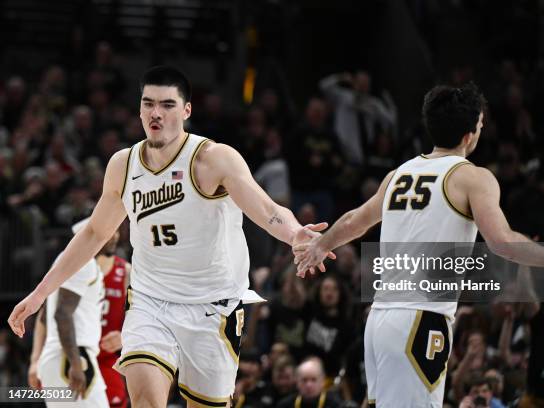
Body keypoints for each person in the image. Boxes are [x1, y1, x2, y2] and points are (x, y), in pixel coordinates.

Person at [9, 65, 332, 408]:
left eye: (166, 105)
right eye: (148, 104)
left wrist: (296, 232)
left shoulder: (212, 159)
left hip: (212, 305)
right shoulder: (123, 165)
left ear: (186, 110)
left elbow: (267, 209)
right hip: (151, 301)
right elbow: (94, 232)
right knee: (146, 400)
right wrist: (40, 293)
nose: (155, 113)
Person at [293, 83, 544, 407]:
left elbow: (355, 220)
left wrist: (321, 244)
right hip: (419, 320)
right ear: (469, 135)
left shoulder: (398, 173)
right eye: (480, 126)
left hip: (379, 319)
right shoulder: (472, 177)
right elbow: (503, 242)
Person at [31, 218, 108, 407]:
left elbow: (44, 316)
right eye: (111, 233)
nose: (114, 237)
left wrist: (35, 360)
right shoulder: (83, 263)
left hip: (58, 357)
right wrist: (75, 363)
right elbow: (62, 314)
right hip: (71, 357)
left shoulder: (66, 261)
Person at [96, 229, 130, 408]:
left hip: (108, 357)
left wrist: (125, 335)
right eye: (110, 230)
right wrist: (36, 358)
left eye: (118, 230)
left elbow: (141, 313)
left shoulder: (125, 270)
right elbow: (46, 317)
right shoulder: (73, 268)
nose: (115, 235)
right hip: (74, 355)